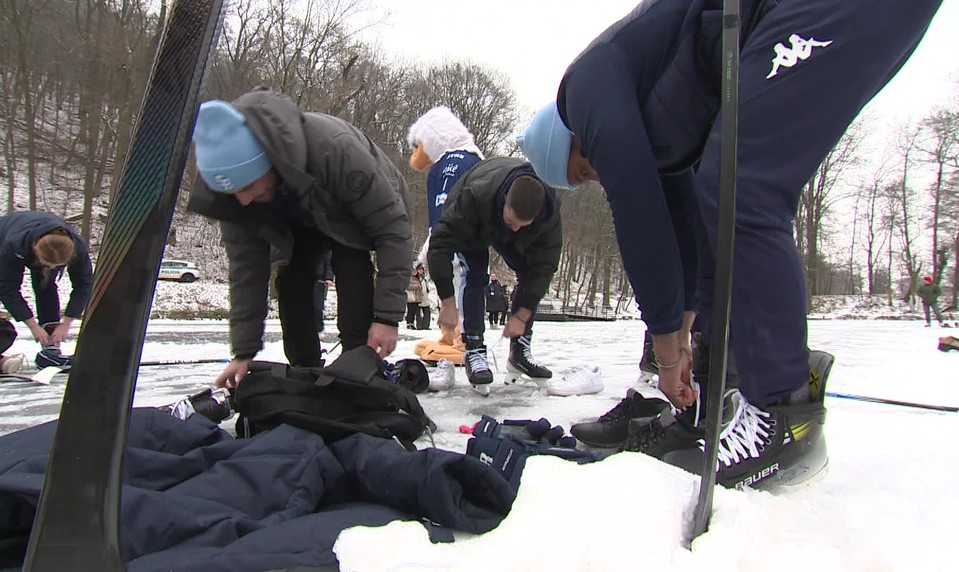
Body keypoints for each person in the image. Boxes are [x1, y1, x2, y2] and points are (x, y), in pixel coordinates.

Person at [518, 0, 941, 487]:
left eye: (584, 169)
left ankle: (783, 412)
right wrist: (688, 326)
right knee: (719, 189)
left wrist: (667, 351)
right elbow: (683, 222)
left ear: (573, 134)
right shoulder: (650, 112)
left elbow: (639, 213)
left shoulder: (587, 88)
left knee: (741, 183)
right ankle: (727, 389)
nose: (595, 175)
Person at [188, 88, 413, 388]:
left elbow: (393, 231)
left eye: (248, 186)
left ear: (267, 162)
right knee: (292, 277)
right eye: (233, 193)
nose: (242, 200)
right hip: (300, 218)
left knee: (351, 263)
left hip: (360, 205)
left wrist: (387, 319)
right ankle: (305, 371)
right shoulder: (239, 200)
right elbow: (246, 271)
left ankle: (359, 364)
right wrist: (243, 352)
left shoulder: (335, 151)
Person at [427, 157, 562, 394]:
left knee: (530, 272)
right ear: (506, 202)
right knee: (476, 275)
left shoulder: (548, 214)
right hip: (477, 223)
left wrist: (522, 315)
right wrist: (447, 303)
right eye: (512, 221)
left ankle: (520, 350)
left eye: (523, 224)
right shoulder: (473, 197)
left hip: (504, 218)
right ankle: (475, 350)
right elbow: (439, 247)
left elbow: (545, 267)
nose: (516, 228)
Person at [0, 211, 93, 370]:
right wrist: (33, 326)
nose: (51, 268)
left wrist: (66, 323)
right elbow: (7, 288)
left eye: (57, 266)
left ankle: (50, 345)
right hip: (5, 236)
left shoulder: (77, 246)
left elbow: (84, 284)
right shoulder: (15, 244)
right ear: (35, 250)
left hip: (38, 239)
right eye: (47, 264)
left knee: (46, 284)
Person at [314, 250, 334, 333]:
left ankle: (319, 328)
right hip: (304, 276)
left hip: (319, 278)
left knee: (317, 305)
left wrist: (329, 277)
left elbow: (328, 258)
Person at [406, 264, 427, 329]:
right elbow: (408, 286)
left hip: (417, 297)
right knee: (410, 310)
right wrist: (417, 286)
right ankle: (409, 323)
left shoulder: (420, 278)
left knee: (414, 311)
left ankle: (412, 323)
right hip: (411, 296)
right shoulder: (410, 278)